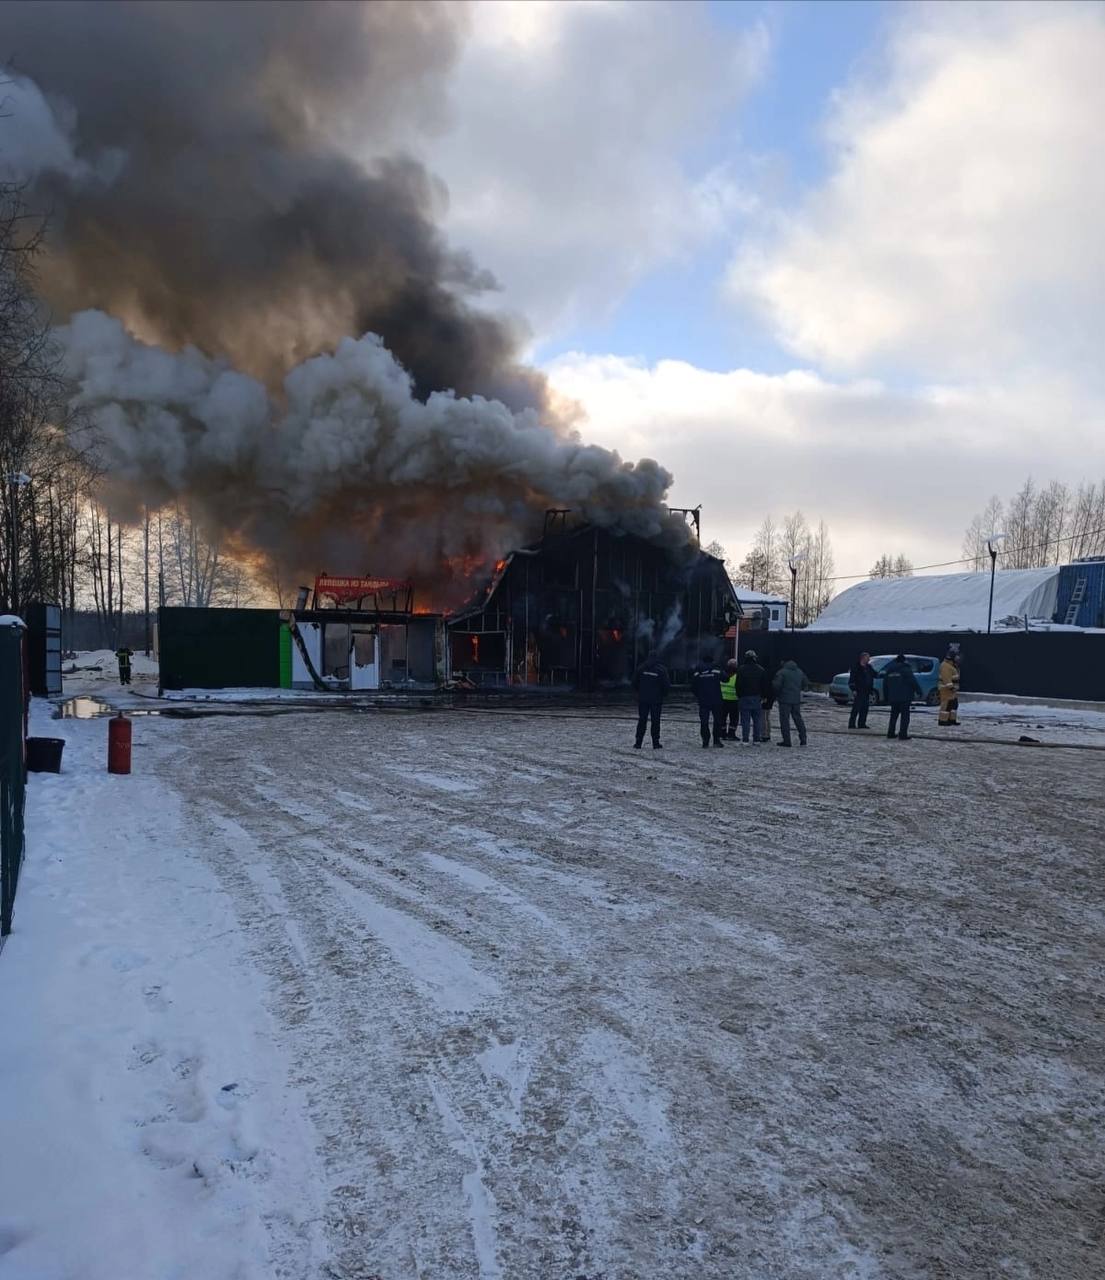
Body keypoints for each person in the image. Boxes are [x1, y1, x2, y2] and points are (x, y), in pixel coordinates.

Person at [631, 652, 670, 749]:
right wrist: (663, 694)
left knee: (642, 720)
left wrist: (640, 692)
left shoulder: (641, 668)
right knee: (655, 721)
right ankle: (655, 743)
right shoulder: (661, 670)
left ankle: (638, 742)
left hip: (643, 699)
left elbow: (634, 682)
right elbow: (666, 685)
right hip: (656, 700)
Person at [882, 653, 922, 740]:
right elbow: (913, 681)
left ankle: (890, 733)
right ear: (904, 660)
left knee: (893, 716)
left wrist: (886, 697)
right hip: (905, 697)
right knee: (905, 716)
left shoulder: (889, 670)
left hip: (893, 697)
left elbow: (885, 684)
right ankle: (903, 734)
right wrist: (919, 691)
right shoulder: (906, 669)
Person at [691, 652, 726, 748]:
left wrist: (699, 695)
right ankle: (716, 741)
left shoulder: (698, 670)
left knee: (704, 721)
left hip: (703, 700)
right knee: (717, 721)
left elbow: (693, 686)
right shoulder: (717, 669)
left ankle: (705, 741)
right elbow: (725, 678)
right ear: (712, 661)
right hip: (716, 699)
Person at [773, 658, 809, 746]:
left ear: (784, 662)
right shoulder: (800, 672)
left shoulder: (782, 672)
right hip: (796, 700)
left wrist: (776, 694)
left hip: (784, 700)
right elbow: (806, 683)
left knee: (785, 720)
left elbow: (776, 685)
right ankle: (803, 738)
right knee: (798, 719)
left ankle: (787, 741)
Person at [737, 648, 768, 743]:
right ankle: (756, 739)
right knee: (757, 720)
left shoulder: (741, 669)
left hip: (744, 697)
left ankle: (745, 740)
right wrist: (764, 696)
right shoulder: (760, 670)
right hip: (756, 697)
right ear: (754, 658)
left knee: (745, 720)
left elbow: (737, 684)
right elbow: (764, 684)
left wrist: (739, 695)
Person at [848, 651, 876, 729]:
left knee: (865, 708)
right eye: (867, 658)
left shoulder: (869, 667)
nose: (869, 659)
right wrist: (853, 689)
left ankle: (862, 723)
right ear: (863, 658)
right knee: (856, 708)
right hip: (859, 690)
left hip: (867, 691)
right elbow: (852, 680)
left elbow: (874, 674)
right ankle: (851, 724)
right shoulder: (856, 667)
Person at [937, 648, 961, 726]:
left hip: (952, 690)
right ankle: (943, 721)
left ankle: (951, 719)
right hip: (946, 689)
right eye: (956, 656)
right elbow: (946, 678)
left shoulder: (952, 665)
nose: (958, 658)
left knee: (953, 705)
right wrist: (951, 687)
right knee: (946, 705)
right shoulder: (945, 665)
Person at [720, 659, 740, 739]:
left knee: (722, 718)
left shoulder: (722, 674)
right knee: (734, 719)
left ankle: (722, 734)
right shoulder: (737, 676)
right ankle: (731, 734)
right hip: (734, 700)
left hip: (722, 699)